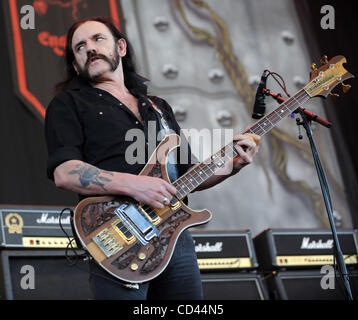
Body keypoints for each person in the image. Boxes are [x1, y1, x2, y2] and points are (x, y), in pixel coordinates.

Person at [45, 17, 260, 300]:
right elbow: (66, 172)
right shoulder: (68, 104)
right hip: (119, 239)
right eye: (80, 47)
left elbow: (187, 177)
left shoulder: (158, 107)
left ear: (120, 47)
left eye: (98, 39)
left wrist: (232, 167)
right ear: (75, 64)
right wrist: (134, 185)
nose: (90, 49)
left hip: (175, 242)